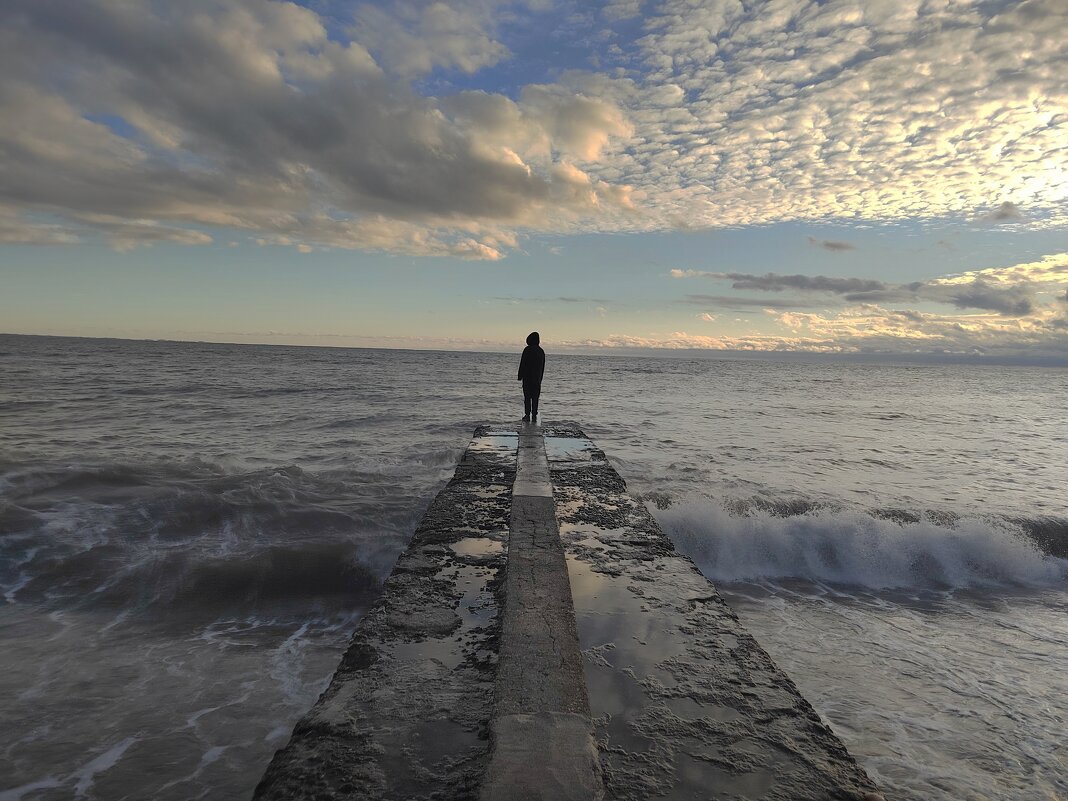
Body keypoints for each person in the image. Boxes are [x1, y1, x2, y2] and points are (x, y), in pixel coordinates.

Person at [517, 331, 545, 423]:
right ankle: (534, 414)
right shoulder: (541, 351)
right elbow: (542, 367)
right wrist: (540, 378)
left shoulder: (527, 349)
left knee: (527, 397)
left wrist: (520, 375)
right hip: (537, 378)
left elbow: (523, 363)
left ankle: (527, 414)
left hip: (528, 378)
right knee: (535, 397)